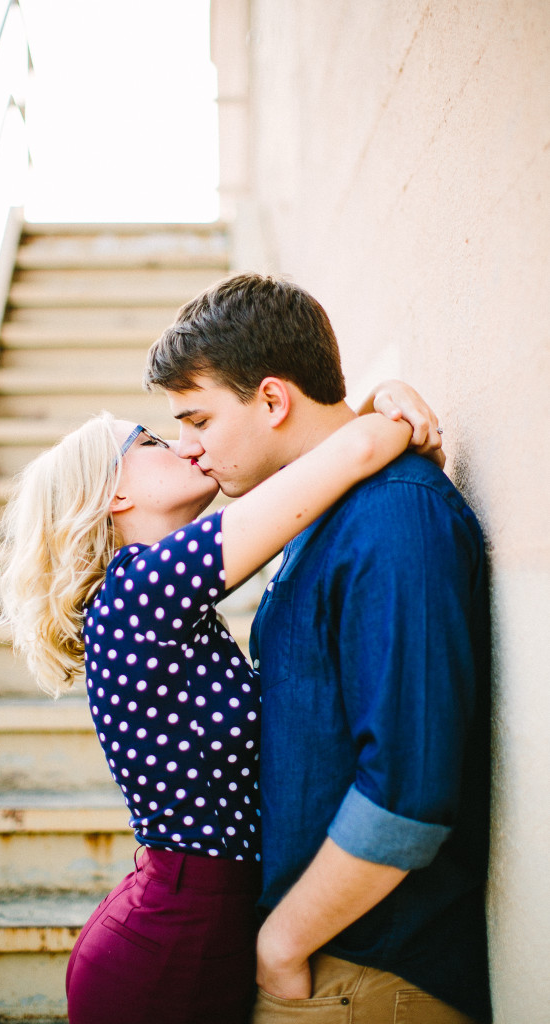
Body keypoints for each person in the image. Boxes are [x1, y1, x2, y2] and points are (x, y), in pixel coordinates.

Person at [0, 390, 429, 1024]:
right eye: (150, 441)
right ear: (116, 497)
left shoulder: (152, 597)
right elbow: (354, 450)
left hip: (188, 928)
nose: (186, 444)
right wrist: (392, 415)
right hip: (169, 952)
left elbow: (314, 465)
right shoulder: (140, 591)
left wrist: (365, 412)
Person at [144, 273, 491, 1024]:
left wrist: (281, 945)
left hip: (368, 974)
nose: (189, 449)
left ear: (272, 399)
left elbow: (407, 793)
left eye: (197, 418)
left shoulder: (394, 516)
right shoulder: (323, 515)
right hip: (329, 966)